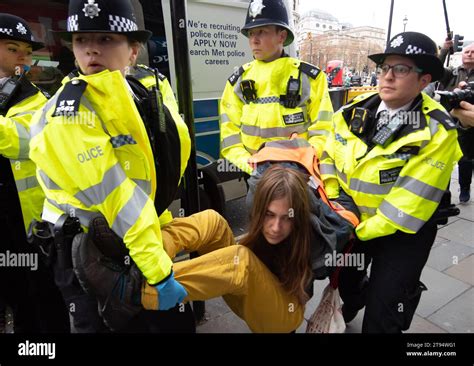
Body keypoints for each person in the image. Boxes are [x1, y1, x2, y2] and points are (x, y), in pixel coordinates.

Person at [29, 0, 192, 332]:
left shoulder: (139, 92)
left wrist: (160, 233)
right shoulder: (71, 111)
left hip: (134, 245)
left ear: (133, 51)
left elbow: (153, 172)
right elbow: (118, 196)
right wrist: (158, 271)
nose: (91, 51)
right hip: (93, 260)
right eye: (81, 41)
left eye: (105, 39)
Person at [320, 31, 462, 333]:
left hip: (403, 233)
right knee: (348, 284)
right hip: (353, 221)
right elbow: (328, 157)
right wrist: (337, 206)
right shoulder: (349, 112)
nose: (388, 76)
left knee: (385, 312)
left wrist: (355, 228)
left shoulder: (437, 130)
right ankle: (359, 298)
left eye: (401, 69)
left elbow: (408, 203)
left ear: (424, 81)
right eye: (384, 68)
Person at [141, 163, 356, 332]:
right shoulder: (257, 216)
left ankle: (140, 290)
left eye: (286, 218)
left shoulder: (310, 239)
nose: (275, 227)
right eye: (269, 215)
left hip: (282, 317)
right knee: (213, 221)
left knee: (240, 261)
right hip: (250, 296)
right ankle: (144, 257)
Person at [0, 13, 69, 333]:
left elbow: (22, 142)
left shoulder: (36, 99)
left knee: (40, 304)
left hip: (28, 227)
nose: (23, 57)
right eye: (13, 48)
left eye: (26, 51)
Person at [219, 0, 333, 175]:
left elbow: (324, 131)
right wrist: (252, 166)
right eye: (250, 33)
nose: (254, 40)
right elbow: (230, 137)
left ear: (281, 36)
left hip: (298, 176)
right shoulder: (238, 82)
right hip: (255, 174)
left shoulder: (310, 78)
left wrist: (301, 163)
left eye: (262, 32)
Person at [437, 41, 474, 203]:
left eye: (473, 52)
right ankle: (442, 193)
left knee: (465, 159)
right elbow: (435, 69)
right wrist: (445, 49)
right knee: (442, 160)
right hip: (447, 122)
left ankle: (464, 188)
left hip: (468, 124)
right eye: (467, 51)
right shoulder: (451, 73)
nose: (470, 54)